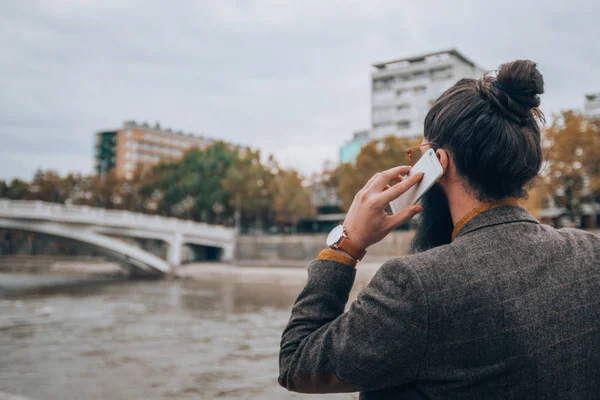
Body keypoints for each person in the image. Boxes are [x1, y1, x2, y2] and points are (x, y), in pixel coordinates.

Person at [278, 60, 600, 399]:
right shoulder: (590, 254)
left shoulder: (416, 285)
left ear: (439, 163)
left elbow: (297, 363)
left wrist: (346, 245)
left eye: (420, 154)